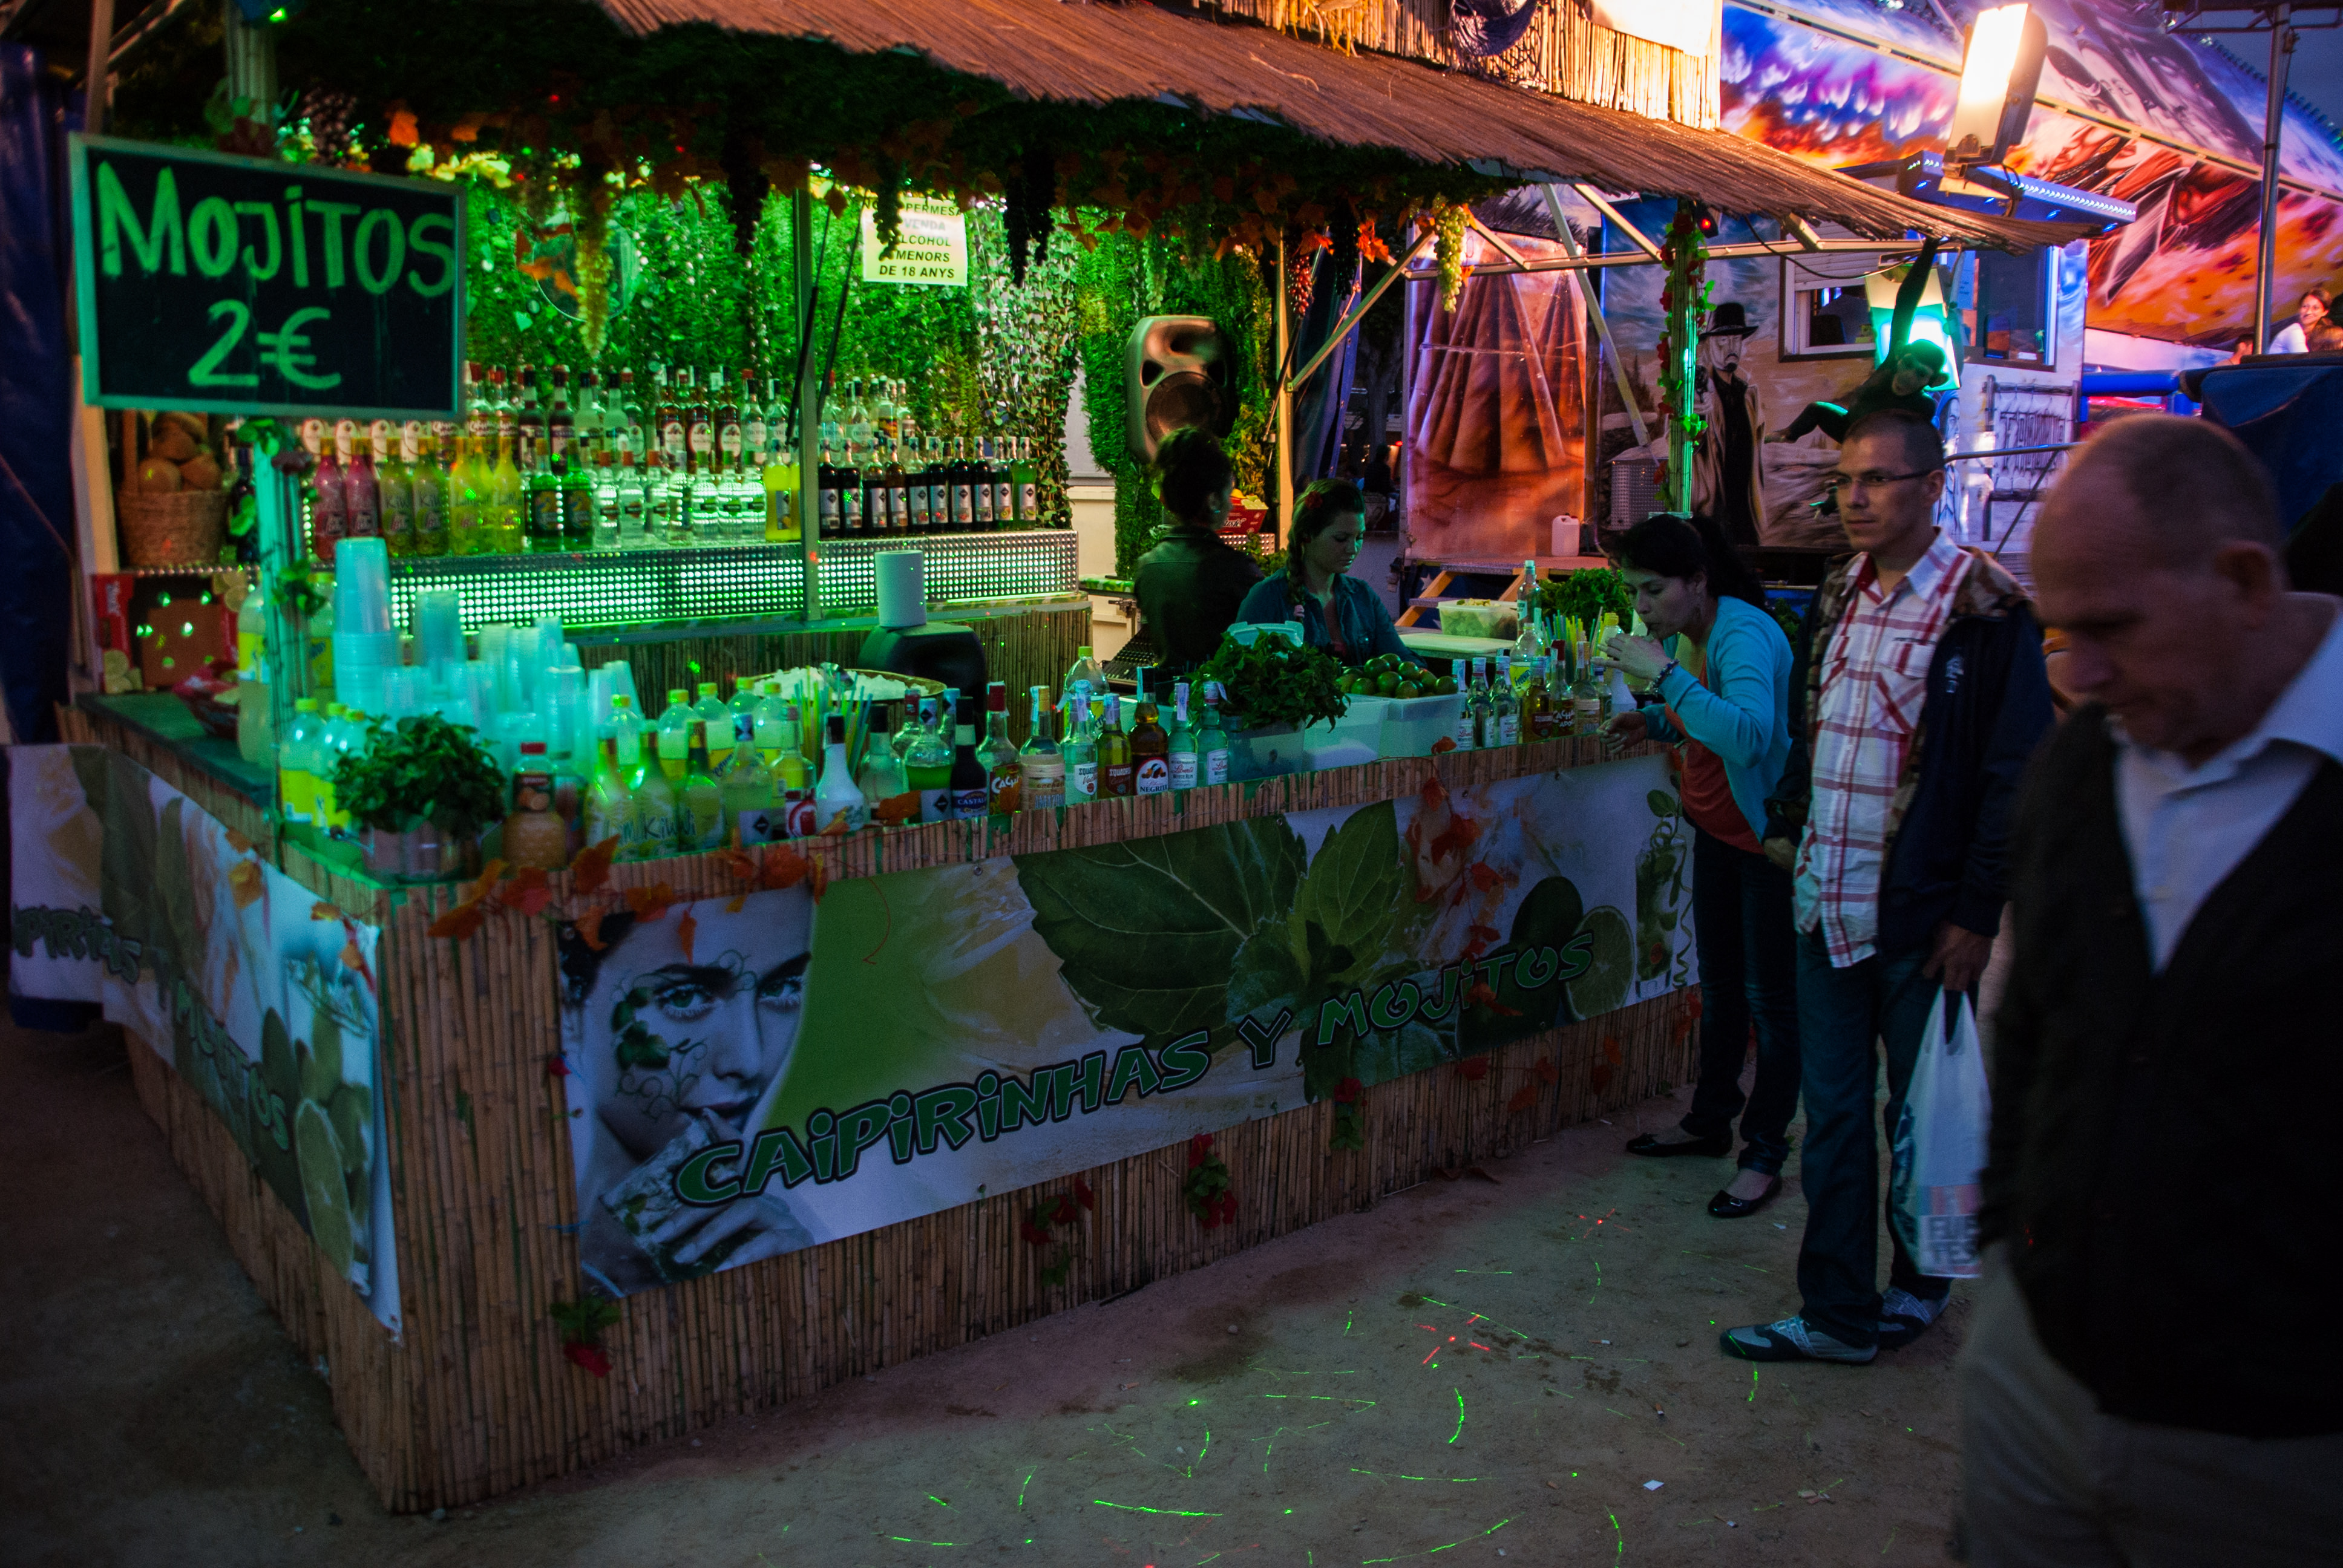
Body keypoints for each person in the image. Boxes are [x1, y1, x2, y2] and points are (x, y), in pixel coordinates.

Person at [1960, 415, 2343, 1564]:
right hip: (2036, 1389)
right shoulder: (2083, 763)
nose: (2079, 676)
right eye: (2058, 634)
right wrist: (2011, 1260)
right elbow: (2032, 1030)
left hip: (2275, 1458)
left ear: (2245, 584)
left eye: (2112, 629)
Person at [1721, 408, 2053, 1365]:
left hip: (1922, 919)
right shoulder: (1839, 591)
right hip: (1826, 904)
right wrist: (1789, 828)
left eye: (1877, 480)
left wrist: (1977, 914)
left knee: (1919, 1116)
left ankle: (1918, 1287)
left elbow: (2012, 776)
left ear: (1932, 486)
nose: (1855, 499)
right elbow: (1813, 725)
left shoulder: (1987, 611)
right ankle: (1835, 1312)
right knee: (1832, 1119)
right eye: (1845, 481)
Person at [1599, 514, 1799, 1217]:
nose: (1641, 607)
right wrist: (1653, 720)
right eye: (1633, 591)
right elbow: (1704, 718)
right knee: (1719, 991)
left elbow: (1746, 738)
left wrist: (1663, 679)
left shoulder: (1741, 635)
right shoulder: (1694, 633)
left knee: (1770, 1005)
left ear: (1696, 582)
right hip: (1716, 835)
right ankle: (1709, 1120)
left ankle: (1763, 1153)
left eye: (1652, 590)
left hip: (1764, 847)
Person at [559, 892, 819, 1296]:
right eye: (685, 997)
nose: (749, 1060)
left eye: (782, 988)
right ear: (571, 1008)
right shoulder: (522, 1256)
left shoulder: (789, 1231)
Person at [1236, 477, 1420, 666]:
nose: (1353, 549)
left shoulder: (1363, 597)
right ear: (1307, 534)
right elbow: (1241, 672)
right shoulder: (1267, 599)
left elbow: (1402, 658)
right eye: (1341, 538)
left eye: (1359, 537)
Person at [1133, 426, 1262, 673]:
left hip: (1165, 693)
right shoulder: (1235, 569)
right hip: (1217, 693)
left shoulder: (1148, 566)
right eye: (1228, 494)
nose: (1231, 505)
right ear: (1213, 500)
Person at [1772, 340, 1950, 446]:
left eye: (1920, 374)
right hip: (1850, 426)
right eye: (1908, 365)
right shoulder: (1886, 372)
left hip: (1879, 447)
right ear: (1899, 357)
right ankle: (1788, 435)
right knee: (1816, 409)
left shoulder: (1923, 405)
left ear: (1934, 381)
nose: (1908, 377)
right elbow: (1903, 310)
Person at [1691, 304, 1768, 546]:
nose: (1731, 347)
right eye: (1723, 340)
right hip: (1712, 515)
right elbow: (1686, 444)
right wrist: (1696, 419)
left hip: (1744, 515)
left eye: (1736, 340)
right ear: (1709, 344)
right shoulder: (1698, 393)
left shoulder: (1748, 396)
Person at [2266, 286, 2331, 353]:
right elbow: (2305, 359)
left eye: (2315, 308)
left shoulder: (2319, 334)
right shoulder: (2294, 333)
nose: (2308, 312)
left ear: (2325, 312)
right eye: (2305, 307)